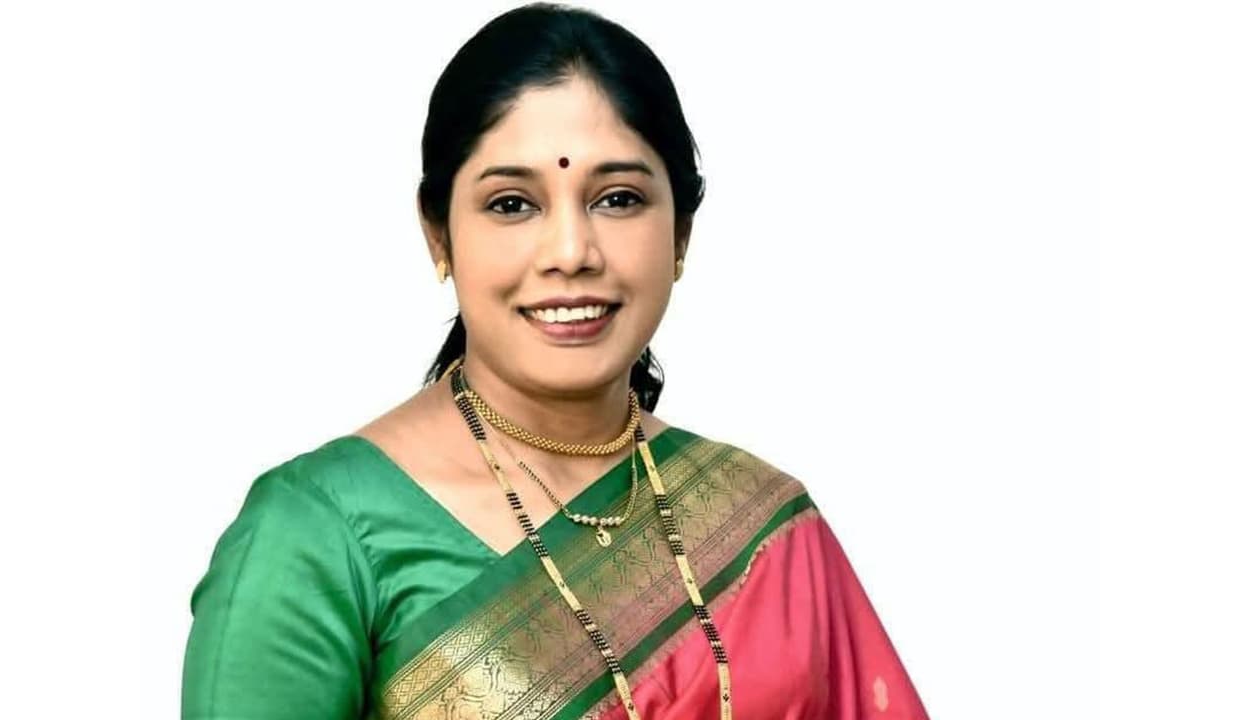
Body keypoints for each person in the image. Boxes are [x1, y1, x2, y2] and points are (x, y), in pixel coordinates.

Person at [181, 4, 929, 718]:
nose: (571, 252)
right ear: (438, 234)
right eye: (512, 203)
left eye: (618, 198)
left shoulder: (764, 523)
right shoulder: (313, 537)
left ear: (680, 235)